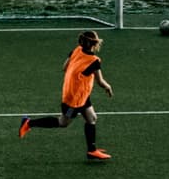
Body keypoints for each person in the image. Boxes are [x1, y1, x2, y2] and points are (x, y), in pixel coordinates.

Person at [20, 30, 114, 160]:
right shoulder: (94, 61)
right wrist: (108, 87)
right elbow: (100, 81)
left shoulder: (77, 50)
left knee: (91, 118)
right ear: (94, 44)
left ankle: (92, 151)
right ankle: (29, 123)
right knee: (63, 122)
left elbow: (65, 67)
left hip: (79, 94)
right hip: (74, 99)